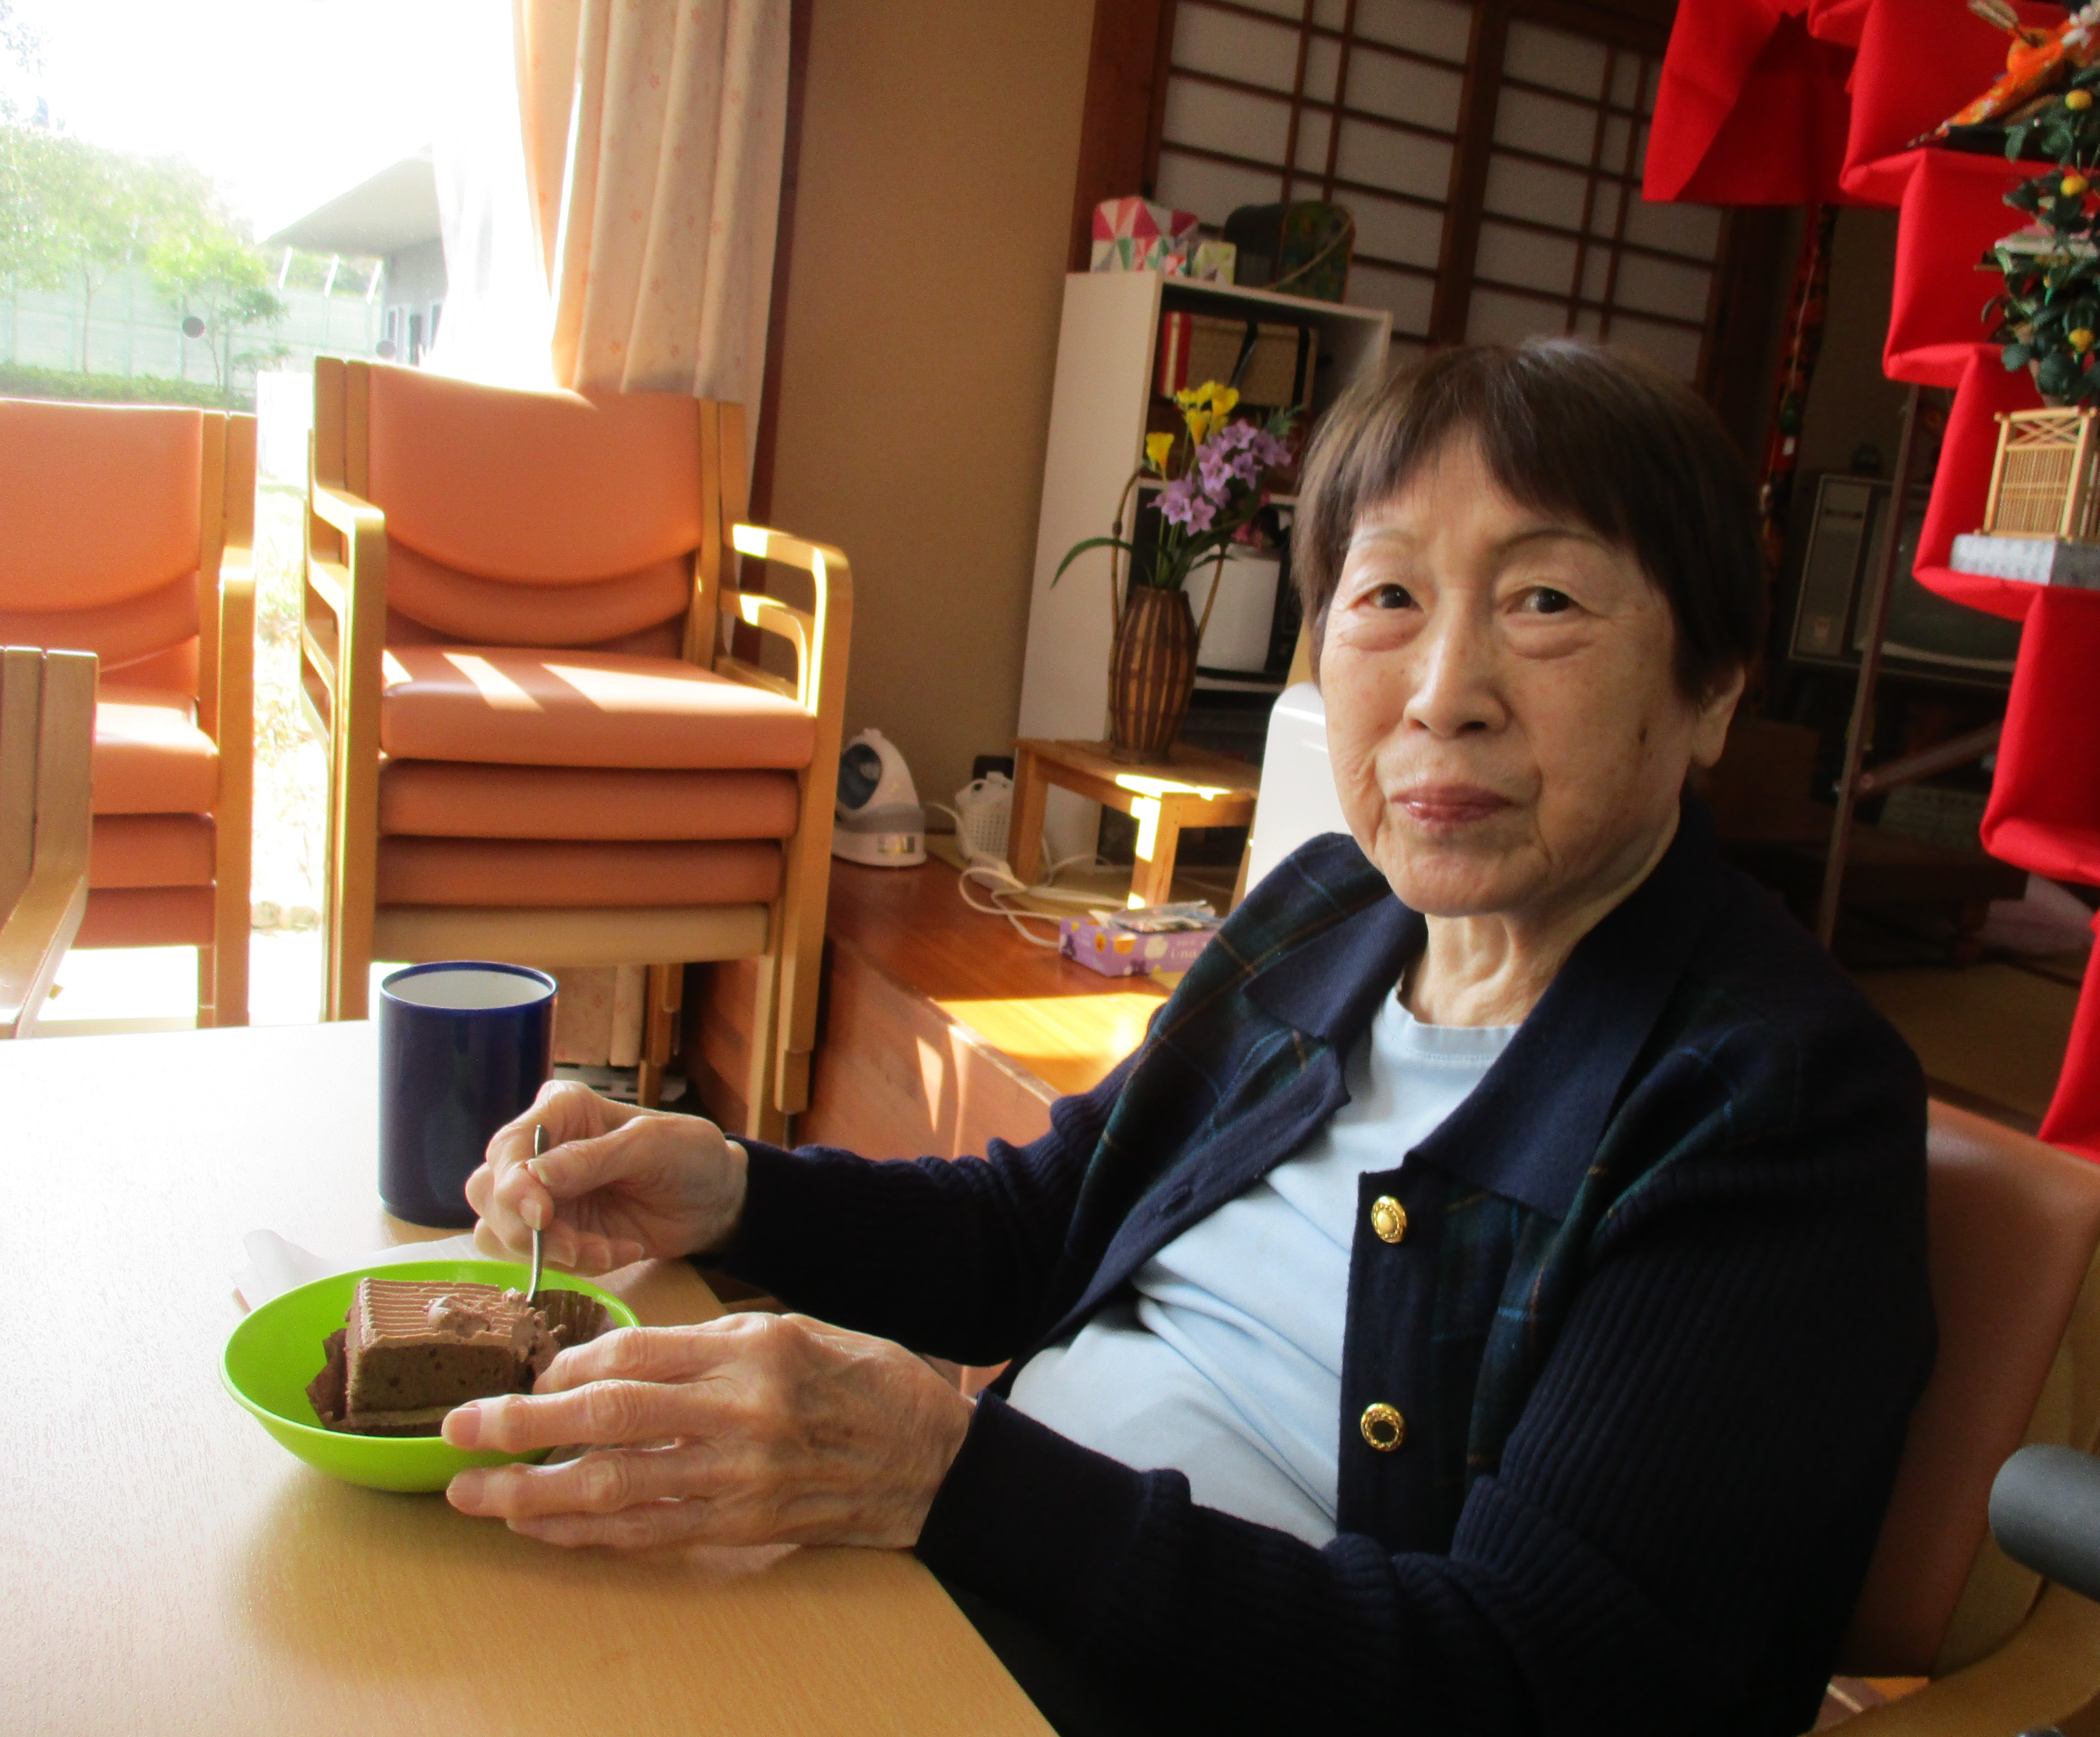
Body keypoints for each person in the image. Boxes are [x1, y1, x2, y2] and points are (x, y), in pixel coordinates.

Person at [455, 339, 1935, 1737]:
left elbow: (1535, 1683)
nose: (1444, 696)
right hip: (961, 1598)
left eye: (1545, 602)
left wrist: (951, 1479)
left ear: (1712, 692)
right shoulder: (1332, 912)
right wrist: (737, 1190)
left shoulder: (1770, 1101)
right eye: (1388, 597)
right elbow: (1046, 1222)